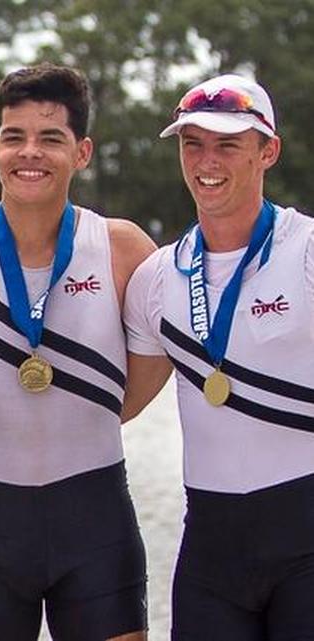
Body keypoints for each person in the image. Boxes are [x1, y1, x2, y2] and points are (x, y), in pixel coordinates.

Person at [0, 63, 159, 641]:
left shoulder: (122, 247)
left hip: (96, 520)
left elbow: (160, 357)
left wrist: (97, 413)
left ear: (84, 151)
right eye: (14, 137)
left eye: (51, 138)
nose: (30, 153)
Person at [124, 74, 314, 640]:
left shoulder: (304, 251)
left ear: (268, 151)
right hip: (211, 549)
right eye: (193, 143)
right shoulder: (156, 278)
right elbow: (121, 404)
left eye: (227, 144)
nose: (207, 160)